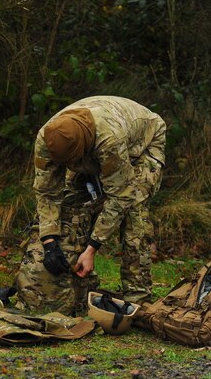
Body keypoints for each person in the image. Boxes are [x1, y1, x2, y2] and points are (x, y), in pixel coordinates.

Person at [16, 96, 166, 316]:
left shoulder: (108, 141)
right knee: (71, 202)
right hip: (92, 144)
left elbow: (120, 197)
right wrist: (49, 241)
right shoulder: (46, 139)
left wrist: (92, 248)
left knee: (134, 212)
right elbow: (47, 192)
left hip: (143, 142)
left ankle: (137, 299)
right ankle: (81, 286)